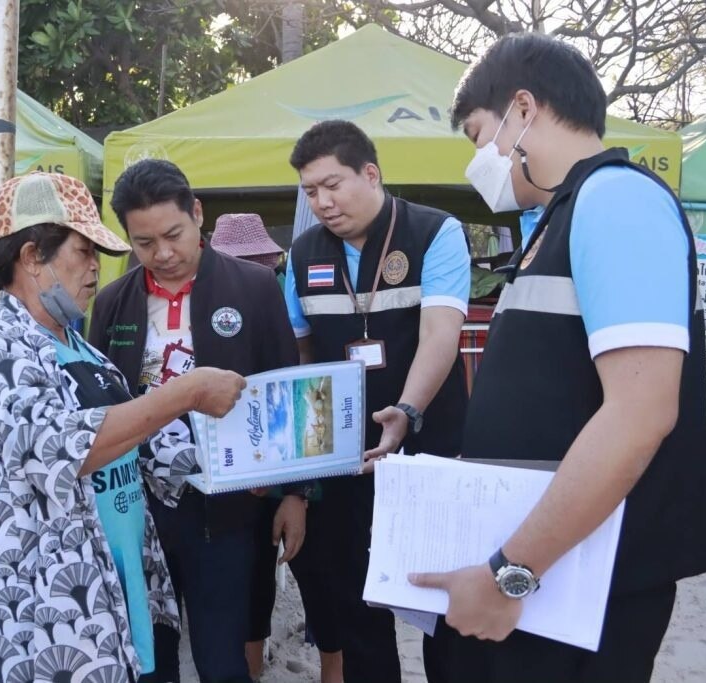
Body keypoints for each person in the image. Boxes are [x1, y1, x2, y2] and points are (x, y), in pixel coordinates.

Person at [414, 33, 706, 683]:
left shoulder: (617, 200)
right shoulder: (560, 215)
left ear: (523, 109)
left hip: (581, 579)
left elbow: (640, 413)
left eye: (477, 135)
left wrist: (509, 573)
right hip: (553, 568)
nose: (479, 160)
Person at [0, 172, 247, 683]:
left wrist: (257, 457)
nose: (93, 270)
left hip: (124, 596)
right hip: (52, 618)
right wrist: (187, 391)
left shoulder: (80, 347)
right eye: (83, 253)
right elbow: (61, 451)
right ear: (32, 256)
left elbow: (136, 449)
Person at [90, 161, 307, 683]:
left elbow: (286, 393)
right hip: (137, 511)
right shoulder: (112, 303)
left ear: (198, 215)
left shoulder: (254, 287)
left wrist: (294, 495)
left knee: (222, 655)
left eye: (173, 234)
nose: (162, 254)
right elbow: (98, 403)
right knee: (151, 656)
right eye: (143, 243)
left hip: (227, 511)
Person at [284, 120, 471, 682]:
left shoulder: (435, 232)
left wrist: (407, 413)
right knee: (358, 602)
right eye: (311, 191)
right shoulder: (301, 255)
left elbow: (442, 334)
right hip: (346, 462)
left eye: (333, 185)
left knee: (447, 607)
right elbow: (301, 360)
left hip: (430, 451)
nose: (322, 202)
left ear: (371, 173)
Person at [209, 212, 343, 683]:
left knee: (323, 580)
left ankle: (331, 670)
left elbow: (306, 389)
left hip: (298, 461)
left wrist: (298, 490)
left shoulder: (284, 299)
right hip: (238, 477)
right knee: (250, 590)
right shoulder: (207, 312)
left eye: (260, 263)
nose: (255, 271)